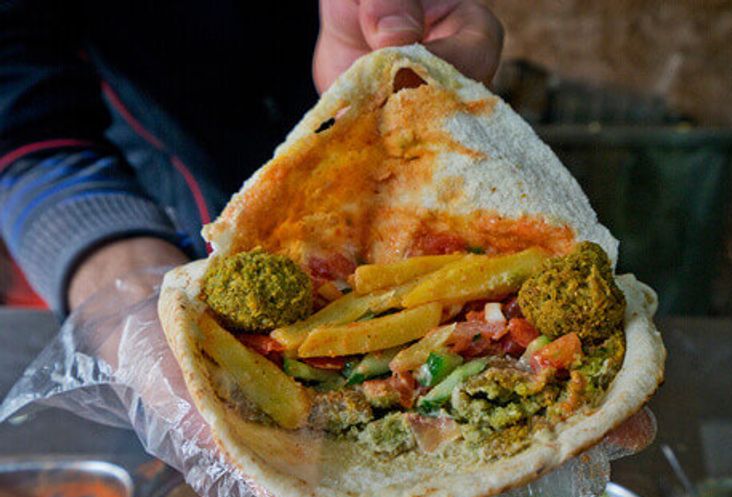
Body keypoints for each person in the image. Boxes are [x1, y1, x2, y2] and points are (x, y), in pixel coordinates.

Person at [0, 0, 504, 315]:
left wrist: (420, 24)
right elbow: (24, 127)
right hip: (176, 237)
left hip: (423, 201)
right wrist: (131, 299)